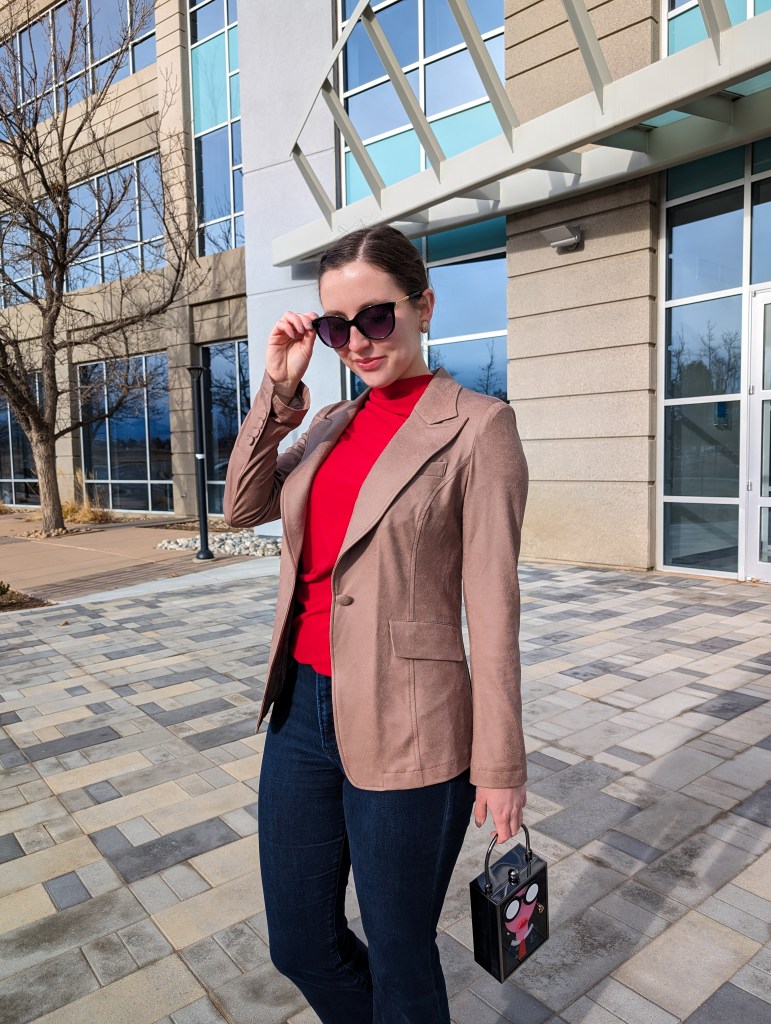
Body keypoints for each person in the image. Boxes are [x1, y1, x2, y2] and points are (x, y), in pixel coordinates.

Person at [224, 224, 528, 1024]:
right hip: (299, 712)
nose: (355, 341)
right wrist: (278, 391)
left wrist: (499, 761)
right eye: (334, 326)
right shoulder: (325, 422)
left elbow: (493, 607)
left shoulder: (478, 427)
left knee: (399, 951)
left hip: (412, 721)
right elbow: (241, 508)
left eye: (376, 317)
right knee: (299, 943)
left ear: (422, 306)